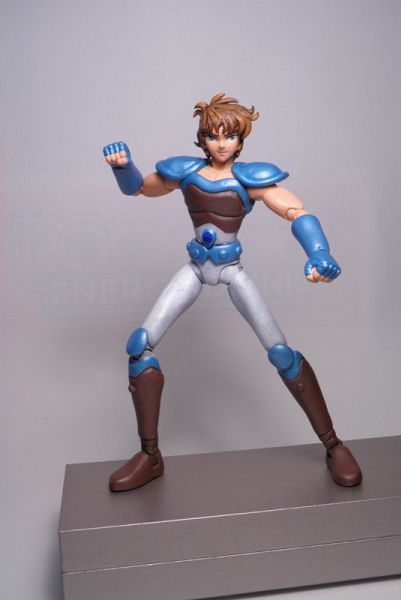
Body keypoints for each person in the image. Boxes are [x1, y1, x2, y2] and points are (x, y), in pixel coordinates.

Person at [103, 93, 362, 492]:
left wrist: (319, 252)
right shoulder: (186, 172)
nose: (221, 143)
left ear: (240, 140)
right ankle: (149, 456)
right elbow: (139, 188)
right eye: (212, 135)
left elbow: (296, 211)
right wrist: (123, 167)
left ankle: (334, 445)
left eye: (229, 136)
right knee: (140, 347)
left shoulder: (249, 179)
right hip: (195, 268)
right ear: (202, 138)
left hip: (231, 271)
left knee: (281, 353)